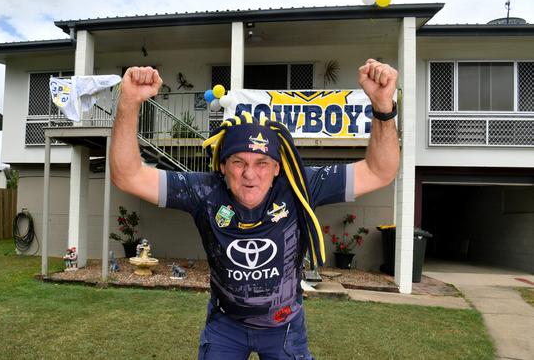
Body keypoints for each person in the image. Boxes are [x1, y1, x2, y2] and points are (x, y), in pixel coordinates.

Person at [110, 60, 399, 360]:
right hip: (226, 325)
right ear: (222, 166)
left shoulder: (299, 185)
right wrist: (129, 103)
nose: (251, 174)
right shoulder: (205, 191)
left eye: (262, 163)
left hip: (285, 328)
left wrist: (382, 106)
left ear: (276, 167)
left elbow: (380, 171)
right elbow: (127, 176)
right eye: (239, 162)